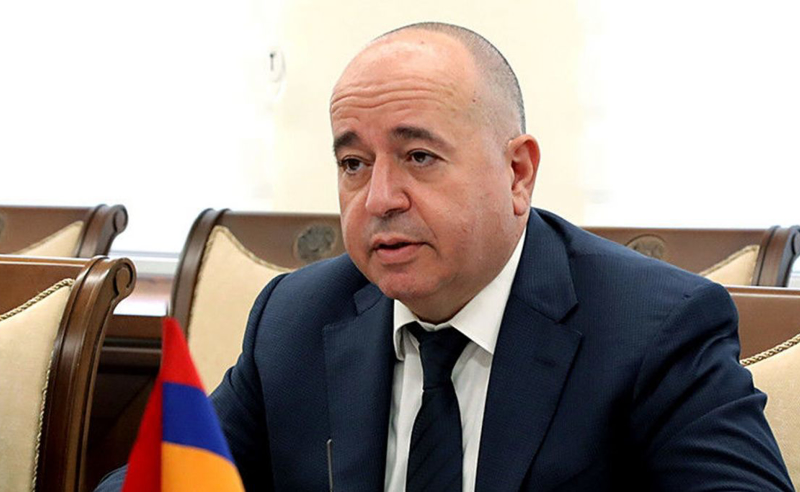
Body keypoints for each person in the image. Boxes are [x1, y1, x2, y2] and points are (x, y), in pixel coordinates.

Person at [97, 22, 793, 491]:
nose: (378, 199)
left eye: (419, 156)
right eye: (353, 163)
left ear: (517, 173)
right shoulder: (295, 318)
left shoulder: (653, 330)